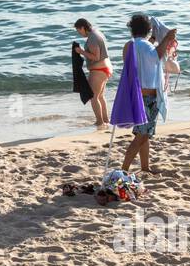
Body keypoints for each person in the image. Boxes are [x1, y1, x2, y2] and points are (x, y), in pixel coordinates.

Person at [121, 13, 177, 175]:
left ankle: (145, 167)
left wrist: (154, 38)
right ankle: (123, 170)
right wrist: (166, 38)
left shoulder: (129, 45)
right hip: (148, 98)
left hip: (137, 96)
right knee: (142, 136)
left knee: (142, 134)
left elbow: (147, 51)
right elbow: (155, 55)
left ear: (132, 30)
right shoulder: (146, 47)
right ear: (147, 30)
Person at [74, 18, 112, 130]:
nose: (79, 33)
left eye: (78, 30)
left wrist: (81, 52)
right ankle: (106, 120)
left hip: (99, 70)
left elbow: (96, 57)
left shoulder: (92, 38)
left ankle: (99, 122)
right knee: (100, 96)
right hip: (105, 68)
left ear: (83, 28)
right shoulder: (97, 32)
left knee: (93, 97)